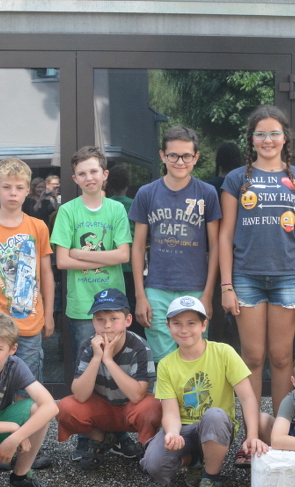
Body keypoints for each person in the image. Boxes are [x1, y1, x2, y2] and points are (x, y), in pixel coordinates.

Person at [219, 106, 295, 447]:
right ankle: (250, 437)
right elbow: (225, 235)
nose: (268, 140)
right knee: (251, 358)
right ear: (251, 139)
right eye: (260, 133)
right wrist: (226, 285)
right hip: (245, 277)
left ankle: (280, 436)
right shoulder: (237, 179)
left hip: (289, 278)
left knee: (281, 358)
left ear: (285, 138)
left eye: (274, 133)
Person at [140, 296, 268, 487]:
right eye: (177, 323)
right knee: (154, 466)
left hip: (216, 425)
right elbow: (170, 411)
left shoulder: (224, 352)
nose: (184, 330)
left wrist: (252, 435)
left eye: (191, 323)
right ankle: (195, 461)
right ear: (168, 326)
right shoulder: (166, 364)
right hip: (185, 428)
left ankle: (211, 479)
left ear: (203, 325)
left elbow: (247, 398)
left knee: (214, 415)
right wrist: (172, 433)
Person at [0, 158, 55, 471]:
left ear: (28, 190)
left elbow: (47, 272)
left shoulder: (37, 227)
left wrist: (50, 313)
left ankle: (21, 448)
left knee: (26, 390)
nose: (13, 193)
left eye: (19, 188)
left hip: (30, 323)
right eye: (7, 187)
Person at [50, 146, 133, 460]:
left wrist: (79, 253)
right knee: (86, 369)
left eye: (94, 171)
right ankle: (88, 435)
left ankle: (120, 431)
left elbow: (123, 255)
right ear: (74, 178)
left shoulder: (116, 210)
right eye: (82, 173)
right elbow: (61, 261)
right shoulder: (68, 211)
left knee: (117, 367)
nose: (89, 177)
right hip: (83, 306)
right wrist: (98, 257)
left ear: (105, 174)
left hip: (113, 305)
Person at [129, 126, 221, 363]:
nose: (180, 162)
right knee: (163, 360)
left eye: (186, 156)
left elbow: (215, 246)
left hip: (196, 288)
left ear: (196, 157)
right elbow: (137, 247)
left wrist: (208, 294)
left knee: (195, 357)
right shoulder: (147, 193)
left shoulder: (207, 193)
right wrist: (140, 294)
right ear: (163, 155)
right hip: (157, 288)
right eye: (173, 155)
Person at [56, 288, 161, 470]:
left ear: (128, 320)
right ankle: (101, 438)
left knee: (153, 406)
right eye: (100, 319)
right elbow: (80, 395)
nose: (107, 325)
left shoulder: (140, 347)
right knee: (64, 407)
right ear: (93, 322)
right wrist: (97, 357)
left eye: (114, 319)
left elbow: (137, 395)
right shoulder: (88, 347)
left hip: (130, 408)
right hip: (102, 408)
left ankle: (146, 446)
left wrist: (109, 360)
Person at [0, 312, 63, 487]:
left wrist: (15, 438)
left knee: (38, 409)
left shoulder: (15, 365)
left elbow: (50, 406)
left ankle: (21, 478)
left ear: (12, 349)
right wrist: (12, 428)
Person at [106, 165, 145, 338]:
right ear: (128, 183)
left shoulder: (106, 206)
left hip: (111, 266)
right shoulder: (134, 204)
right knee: (132, 305)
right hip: (132, 265)